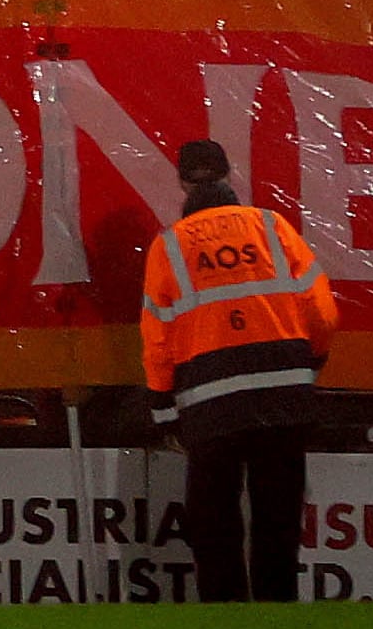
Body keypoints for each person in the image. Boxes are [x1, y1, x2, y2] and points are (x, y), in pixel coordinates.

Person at [142, 135, 339, 603]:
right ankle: (278, 627)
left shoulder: (169, 247)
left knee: (214, 527)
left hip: (210, 405)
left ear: (183, 181)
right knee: (278, 523)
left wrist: (162, 408)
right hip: (283, 395)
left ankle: (224, 627)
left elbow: (157, 339)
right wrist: (308, 365)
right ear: (229, 174)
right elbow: (322, 312)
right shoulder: (273, 228)